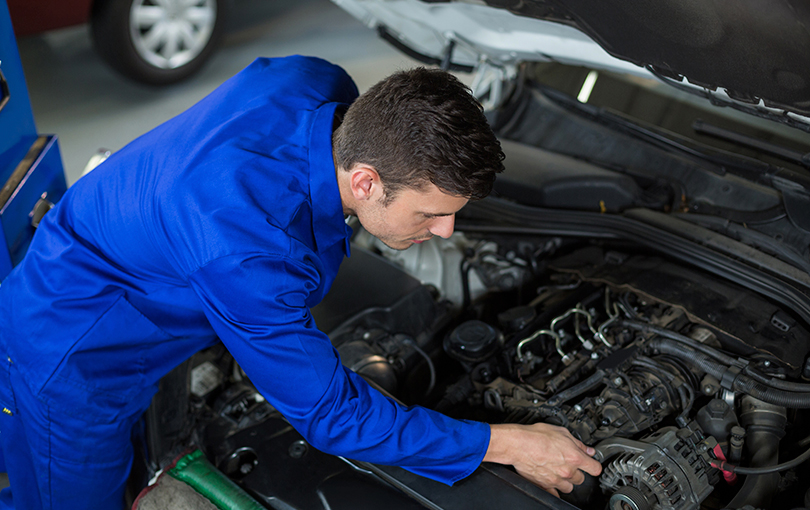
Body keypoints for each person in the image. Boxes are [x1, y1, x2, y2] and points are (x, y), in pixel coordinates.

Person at [0, 55, 601, 509]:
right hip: (76, 354)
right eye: (431, 213)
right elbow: (330, 415)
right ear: (364, 182)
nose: (447, 232)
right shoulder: (245, 248)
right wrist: (507, 443)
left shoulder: (319, 84)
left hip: (112, 253)